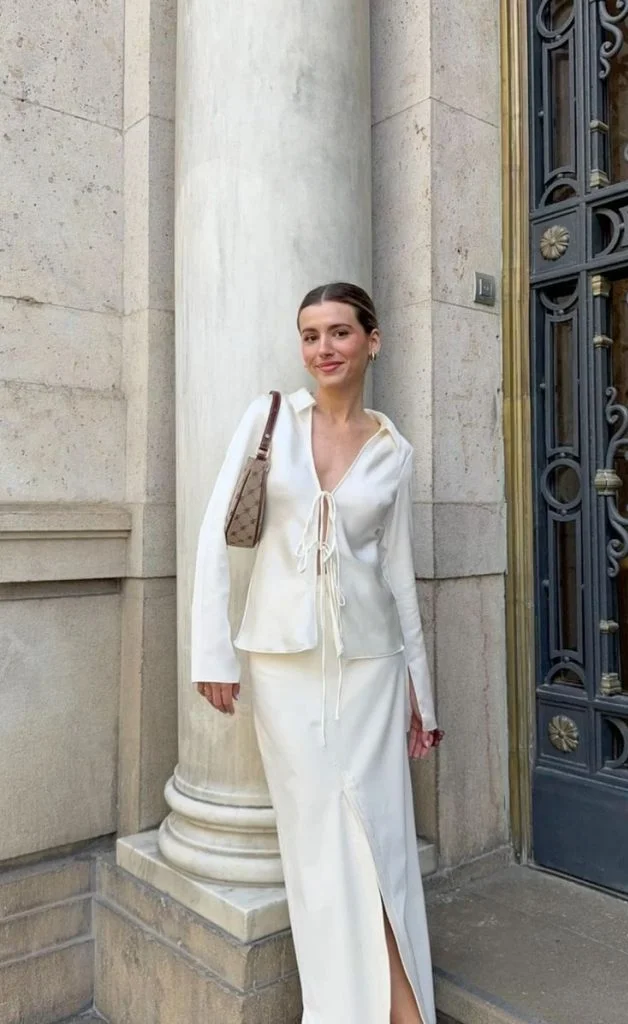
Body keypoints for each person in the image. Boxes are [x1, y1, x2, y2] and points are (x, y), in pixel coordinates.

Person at [192, 282, 442, 1024]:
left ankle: (404, 1007)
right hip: (281, 667)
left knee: (383, 841)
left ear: (373, 340)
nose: (322, 349)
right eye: (310, 335)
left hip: (370, 668)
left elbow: (396, 573)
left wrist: (422, 692)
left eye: (339, 332)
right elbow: (216, 533)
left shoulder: (395, 451)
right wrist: (215, 653)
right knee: (318, 845)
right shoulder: (269, 417)